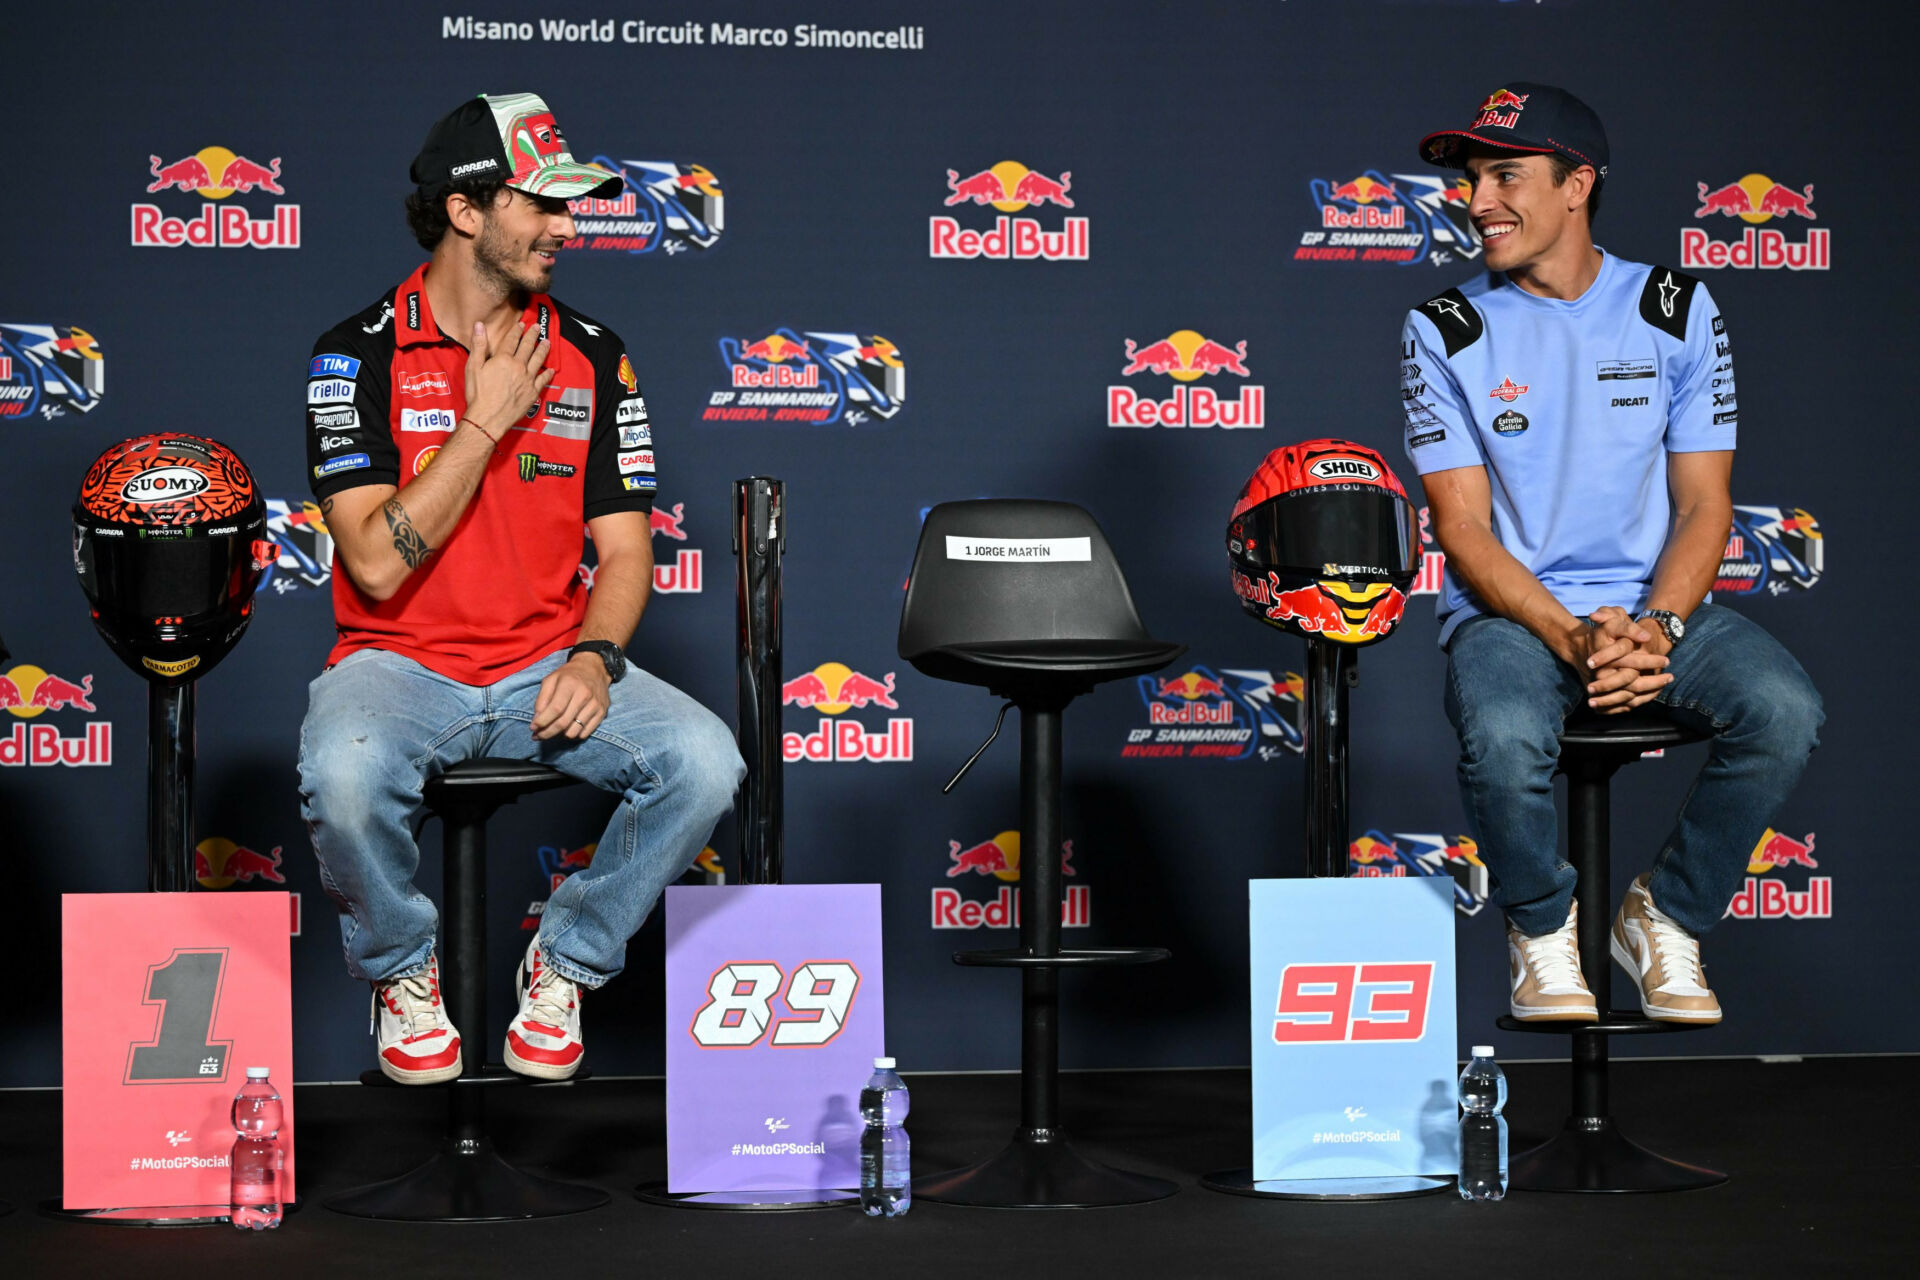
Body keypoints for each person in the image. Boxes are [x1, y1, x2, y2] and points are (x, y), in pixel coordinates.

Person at [297, 92, 744, 1084]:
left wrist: (594, 651)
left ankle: (568, 960)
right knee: (342, 771)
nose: (567, 225)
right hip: (396, 667)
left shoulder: (595, 352)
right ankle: (403, 972)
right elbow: (372, 561)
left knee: (706, 760)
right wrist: (486, 420)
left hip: (546, 664)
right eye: (542, 202)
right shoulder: (355, 352)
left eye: (570, 205)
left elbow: (625, 550)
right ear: (466, 212)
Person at [1401, 83, 1822, 1026]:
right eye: (1472, 179)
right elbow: (1464, 531)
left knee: (1785, 708)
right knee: (1505, 739)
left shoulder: (1675, 307)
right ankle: (1543, 929)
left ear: (1577, 184)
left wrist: (1659, 629)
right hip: (1513, 614)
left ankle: (1665, 912)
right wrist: (1574, 636)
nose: (1478, 201)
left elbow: (1704, 504)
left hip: (1654, 607)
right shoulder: (1446, 327)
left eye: (1506, 174)